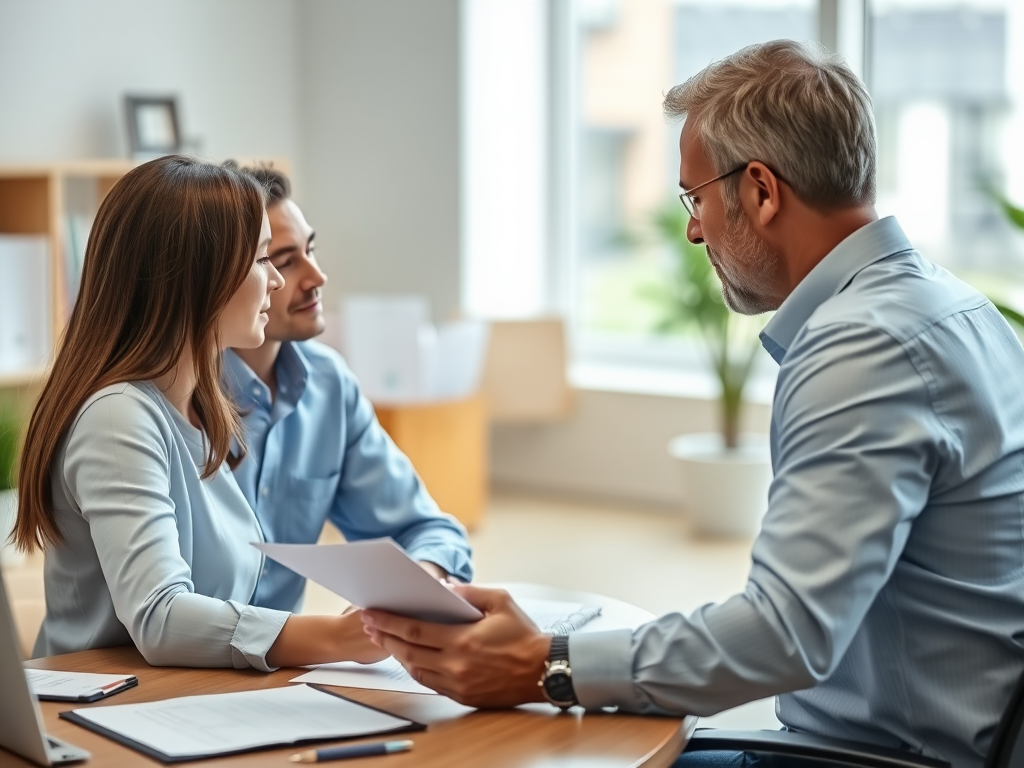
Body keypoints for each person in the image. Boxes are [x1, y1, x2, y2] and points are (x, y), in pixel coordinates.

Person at [358, 40, 1024, 768]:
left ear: (763, 191)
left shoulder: (862, 348)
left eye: (696, 198)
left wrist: (545, 665)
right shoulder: (957, 308)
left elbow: (784, 634)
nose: (693, 229)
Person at [15, 156, 388, 670]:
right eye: (263, 260)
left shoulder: (201, 410)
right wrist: (341, 638)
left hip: (185, 703)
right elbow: (160, 617)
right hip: (100, 720)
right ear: (199, 280)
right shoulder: (118, 417)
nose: (277, 283)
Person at [221, 165, 472, 614]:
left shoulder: (329, 385)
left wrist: (415, 591)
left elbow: (428, 530)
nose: (316, 277)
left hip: (281, 667)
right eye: (282, 261)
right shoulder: (176, 396)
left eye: (310, 250)